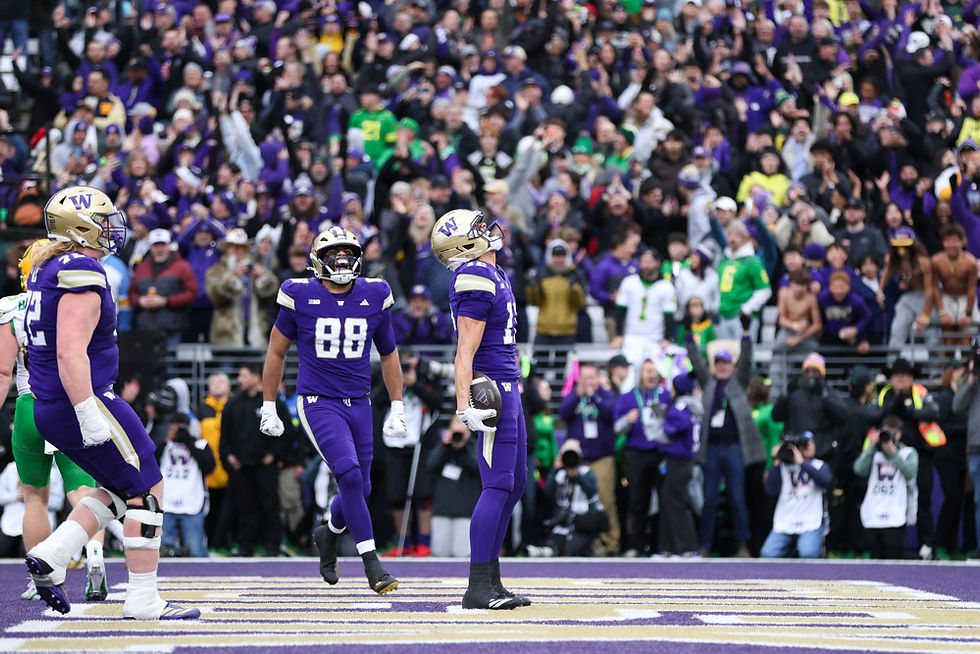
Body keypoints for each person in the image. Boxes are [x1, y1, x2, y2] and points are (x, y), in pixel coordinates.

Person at [22, 186, 198, 619]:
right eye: (101, 221)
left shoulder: (48, 265)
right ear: (79, 227)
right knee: (147, 489)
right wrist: (87, 410)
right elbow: (70, 352)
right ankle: (143, 599)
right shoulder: (81, 269)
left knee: (121, 487)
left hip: (53, 403)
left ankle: (53, 553)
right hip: (82, 398)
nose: (110, 228)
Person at [261, 226, 405, 594]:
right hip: (318, 401)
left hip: (360, 402)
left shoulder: (375, 293)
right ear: (317, 260)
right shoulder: (299, 294)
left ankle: (329, 533)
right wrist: (269, 404)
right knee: (350, 476)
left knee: (362, 486)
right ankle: (371, 563)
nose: (341, 260)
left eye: (347, 254)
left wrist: (398, 405)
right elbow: (276, 352)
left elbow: (389, 354)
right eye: (333, 254)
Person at [431, 208, 527, 610]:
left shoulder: (493, 272)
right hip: (492, 390)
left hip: (509, 385)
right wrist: (463, 404)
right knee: (497, 484)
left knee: (515, 484)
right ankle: (477, 585)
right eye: (478, 228)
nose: (488, 230)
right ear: (464, 244)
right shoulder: (475, 275)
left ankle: (493, 579)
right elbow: (464, 351)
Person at [0, 243, 107, 602]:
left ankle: (41, 578)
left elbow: (2, 373)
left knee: (34, 497)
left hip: (30, 405)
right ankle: (94, 553)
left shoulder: (12, 307)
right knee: (84, 490)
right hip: (71, 405)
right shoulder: (77, 299)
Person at [687, 315, 766, 557]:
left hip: (734, 447)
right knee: (709, 500)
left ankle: (743, 545)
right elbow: (696, 362)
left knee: (737, 499)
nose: (722, 367)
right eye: (718, 363)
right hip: (712, 448)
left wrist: (746, 334)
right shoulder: (708, 383)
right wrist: (688, 336)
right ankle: (705, 545)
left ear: (732, 366)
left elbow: (747, 361)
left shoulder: (738, 383)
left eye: (726, 363)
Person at [219, 364, 292, 557]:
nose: (239, 380)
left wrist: (275, 455)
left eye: (243, 375)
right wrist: (229, 456)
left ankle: (272, 546)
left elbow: (287, 433)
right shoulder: (233, 404)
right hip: (240, 467)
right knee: (244, 508)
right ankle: (246, 547)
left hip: (265, 467)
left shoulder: (272, 403)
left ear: (256, 377)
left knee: (270, 507)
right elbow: (224, 435)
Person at [874, 358, 941, 559]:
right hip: (889, 457)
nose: (901, 378)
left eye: (905, 374)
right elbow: (872, 414)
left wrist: (910, 410)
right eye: (897, 375)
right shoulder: (884, 394)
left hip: (919, 455)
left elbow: (933, 411)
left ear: (912, 377)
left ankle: (927, 545)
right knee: (887, 498)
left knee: (923, 499)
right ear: (891, 378)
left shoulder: (919, 392)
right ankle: (886, 546)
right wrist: (894, 405)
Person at [558, 362, 620, 555]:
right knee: (579, 503)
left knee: (605, 500)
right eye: (584, 378)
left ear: (597, 378)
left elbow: (612, 414)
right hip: (578, 461)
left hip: (601, 458)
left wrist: (595, 397)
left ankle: (611, 544)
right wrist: (578, 395)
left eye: (591, 377)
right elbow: (563, 414)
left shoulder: (606, 395)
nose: (588, 382)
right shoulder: (574, 396)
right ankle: (586, 543)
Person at [854, 416, 919, 559]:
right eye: (885, 432)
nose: (888, 436)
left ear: (899, 434)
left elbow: (910, 473)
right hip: (873, 511)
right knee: (875, 557)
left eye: (892, 432)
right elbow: (859, 469)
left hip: (895, 512)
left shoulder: (907, 452)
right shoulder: (874, 452)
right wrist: (872, 447)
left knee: (893, 556)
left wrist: (893, 453)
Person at [760, 432, 832, 559]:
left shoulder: (819, 465)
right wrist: (776, 460)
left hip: (810, 523)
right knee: (768, 553)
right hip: (785, 522)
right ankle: (792, 550)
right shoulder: (782, 467)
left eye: (811, 443)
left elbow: (826, 481)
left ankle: (801, 547)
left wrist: (802, 463)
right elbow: (770, 490)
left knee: (808, 553)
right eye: (805, 444)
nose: (809, 446)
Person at [428, 417, 481, 558]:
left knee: (462, 555)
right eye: (456, 425)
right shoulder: (443, 447)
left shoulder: (475, 446)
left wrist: (466, 445)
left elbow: (478, 468)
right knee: (439, 554)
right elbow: (430, 466)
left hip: (466, 511)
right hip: (442, 509)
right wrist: (444, 447)